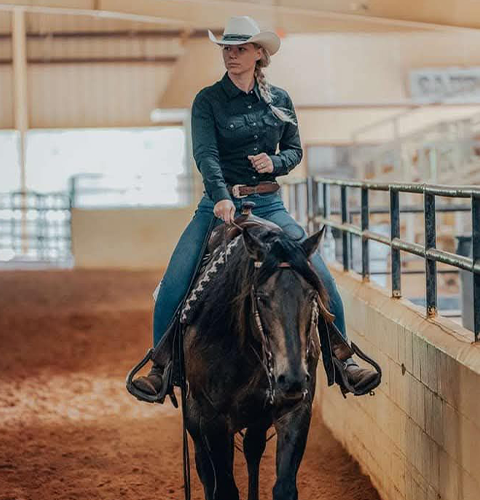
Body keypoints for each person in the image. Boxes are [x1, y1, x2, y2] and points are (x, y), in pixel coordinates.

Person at [133, 15, 378, 398]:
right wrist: (221, 198)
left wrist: (275, 163)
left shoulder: (279, 100)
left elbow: (295, 149)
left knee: (320, 276)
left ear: (258, 54)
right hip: (219, 203)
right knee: (175, 281)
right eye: (227, 49)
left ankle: (342, 359)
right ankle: (161, 367)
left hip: (269, 201)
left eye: (240, 49)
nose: (231, 55)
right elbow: (206, 155)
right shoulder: (208, 101)